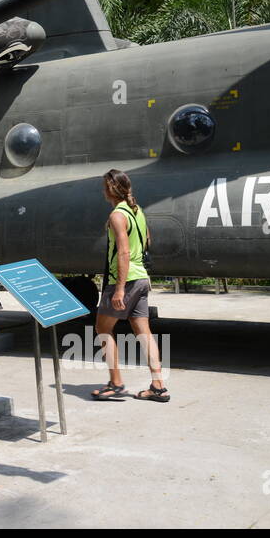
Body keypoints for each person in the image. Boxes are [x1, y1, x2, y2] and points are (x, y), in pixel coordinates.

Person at [89, 168, 169, 402]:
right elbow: (147, 240)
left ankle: (115, 383)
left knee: (102, 328)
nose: (102, 191)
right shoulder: (137, 211)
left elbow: (123, 251)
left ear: (110, 189)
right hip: (142, 278)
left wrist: (120, 289)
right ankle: (158, 386)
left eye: (104, 187)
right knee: (144, 333)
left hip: (125, 280)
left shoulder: (117, 215)